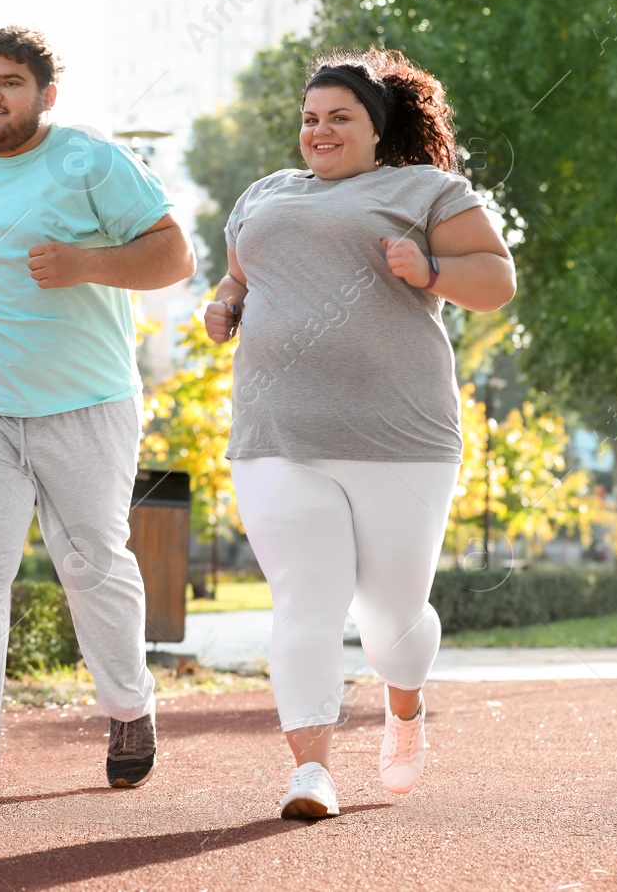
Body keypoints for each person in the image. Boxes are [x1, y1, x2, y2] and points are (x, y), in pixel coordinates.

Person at [203, 48, 516, 820]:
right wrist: (224, 303)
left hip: (402, 439)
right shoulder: (265, 195)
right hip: (278, 433)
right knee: (305, 600)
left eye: (340, 117)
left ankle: (403, 708)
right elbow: (239, 276)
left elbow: (497, 279)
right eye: (310, 119)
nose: (321, 130)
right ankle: (310, 770)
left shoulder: (427, 190)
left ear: (378, 129)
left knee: (391, 620)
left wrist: (433, 270)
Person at [0, 24, 196, 799]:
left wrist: (84, 264)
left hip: (87, 402)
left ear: (46, 95)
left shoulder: (90, 158)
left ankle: (130, 705)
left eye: (10, 83)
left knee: (90, 563)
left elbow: (175, 255)